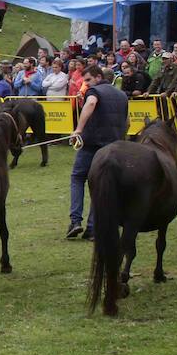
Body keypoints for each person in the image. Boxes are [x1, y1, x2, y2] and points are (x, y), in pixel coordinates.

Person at [66, 64, 128, 240]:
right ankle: (93, 228)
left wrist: (78, 129)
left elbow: (91, 103)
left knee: (78, 177)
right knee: (100, 185)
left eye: (88, 80)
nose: (85, 84)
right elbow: (127, 121)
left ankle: (75, 221)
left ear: (98, 77)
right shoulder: (122, 95)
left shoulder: (94, 92)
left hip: (92, 144)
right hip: (113, 146)